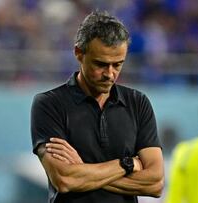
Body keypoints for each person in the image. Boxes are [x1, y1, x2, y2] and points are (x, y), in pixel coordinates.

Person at [30, 10, 164, 203]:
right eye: (101, 64)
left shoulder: (138, 103)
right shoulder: (49, 104)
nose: (109, 74)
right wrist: (127, 164)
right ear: (79, 53)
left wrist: (83, 171)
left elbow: (156, 183)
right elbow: (64, 179)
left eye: (118, 65)